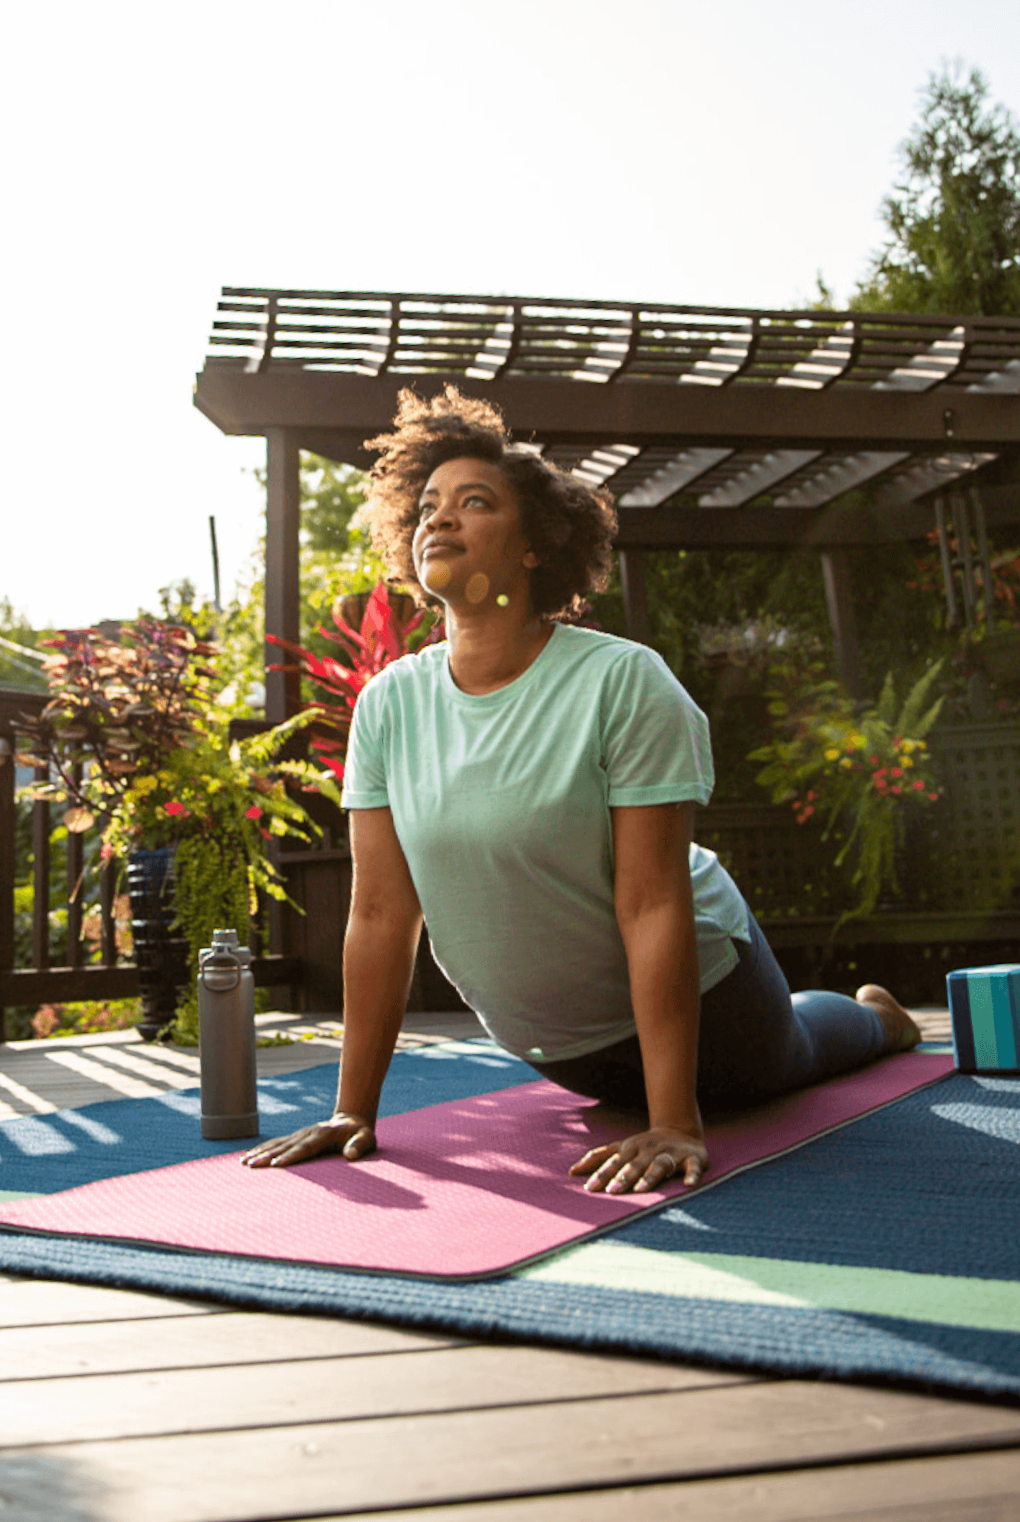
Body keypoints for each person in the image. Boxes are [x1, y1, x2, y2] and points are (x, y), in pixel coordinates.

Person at [243, 387, 920, 1195]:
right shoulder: (389, 705)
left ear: (535, 546)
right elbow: (383, 915)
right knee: (630, 1091)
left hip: (713, 1008)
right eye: (427, 506)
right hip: (563, 1050)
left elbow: (652, 903)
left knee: (791, 1058)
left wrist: (674, 1121)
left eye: (475, 502)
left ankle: (878, 1018)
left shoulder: (622, 681)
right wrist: (352, 1110)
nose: (440, 517)